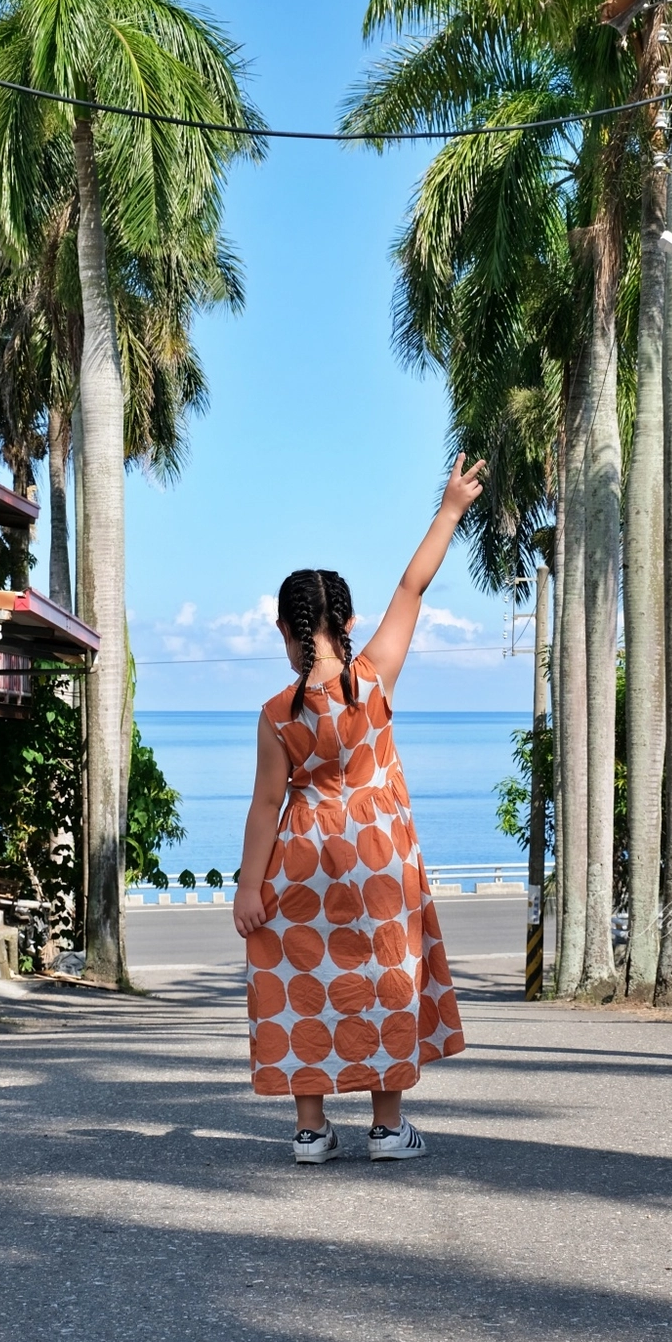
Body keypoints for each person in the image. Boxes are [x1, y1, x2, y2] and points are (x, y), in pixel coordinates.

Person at [234, 454, 486, 1164]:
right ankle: (386, 1127)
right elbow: (413, 584)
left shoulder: (275, 715)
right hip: (379, 854)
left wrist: (251, 887)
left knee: (303, 977)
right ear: (346, 623)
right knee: (384, 975)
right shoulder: (373, 680)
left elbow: (263, 805)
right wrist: (450, 508)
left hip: (303, 853)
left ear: (285, 629)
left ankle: (311, 1131)